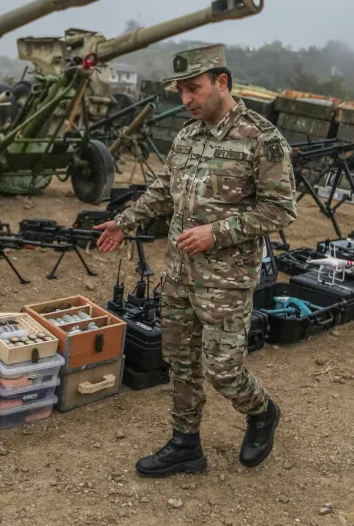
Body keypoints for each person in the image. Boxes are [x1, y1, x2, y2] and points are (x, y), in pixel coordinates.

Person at [94, 44, 297, 477]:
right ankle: (186, 444)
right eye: (181, 90)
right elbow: (163, 189)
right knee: (181, 361)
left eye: (194, 88)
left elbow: (281, 210)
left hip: (225, 282)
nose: (186, 99)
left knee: (223, 370)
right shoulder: (187, 136)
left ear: (222, 83)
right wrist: (123, 222)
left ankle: (261, 412)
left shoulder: (262, 139)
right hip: (179, 275)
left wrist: (216, 233)